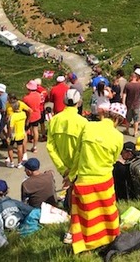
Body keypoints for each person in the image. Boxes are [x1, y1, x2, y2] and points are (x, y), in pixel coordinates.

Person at [69, 102, 125, 255]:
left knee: (85, 215)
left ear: (106, 114)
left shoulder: (89, 127)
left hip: (85, 180)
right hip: (104, 180)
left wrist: (71, 175)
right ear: (119, 120)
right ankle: (110, 238)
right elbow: (114, 159)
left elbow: (78, 153)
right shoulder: (119, 137)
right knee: (107, 210)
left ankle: (85, 245)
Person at [46, 88, 86, 245]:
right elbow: (82, 149)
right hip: (79, 168)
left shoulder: (54, 120)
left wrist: (63, 169)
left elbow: (50, 147)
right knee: (81, 199)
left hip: (64, 168)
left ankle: (73, 227)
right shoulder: (83, 123)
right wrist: (72, 172)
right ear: (79, 102)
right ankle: (75, 230)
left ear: (63, 102)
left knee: (71, 196)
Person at [122, 70, 140, 137]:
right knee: (136, 119)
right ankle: (135, 132)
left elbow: (124, 94)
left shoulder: (127, 85)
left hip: (129, 105)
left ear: (131, 77)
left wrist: (123, 103)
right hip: (137, 104)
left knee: (128, 119)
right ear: (136, 77)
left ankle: (127, 130)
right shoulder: (139, 85)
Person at [23, 80, 43, 153]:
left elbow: (24, 108)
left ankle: (24, 148)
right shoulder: (38, 95)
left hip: (29, 116)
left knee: (25, 132)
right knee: (35, 130)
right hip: (37, 115)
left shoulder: (26, 98)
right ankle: (35, 147)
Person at [7, 101, 27, 168]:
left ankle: (11, 162)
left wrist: (9, 135)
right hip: (21, 133)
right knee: (20, 148)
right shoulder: (23, 114)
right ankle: (19, 163)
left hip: (13, 134)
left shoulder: (13, 116)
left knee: (10, 148)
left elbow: (11, 127)